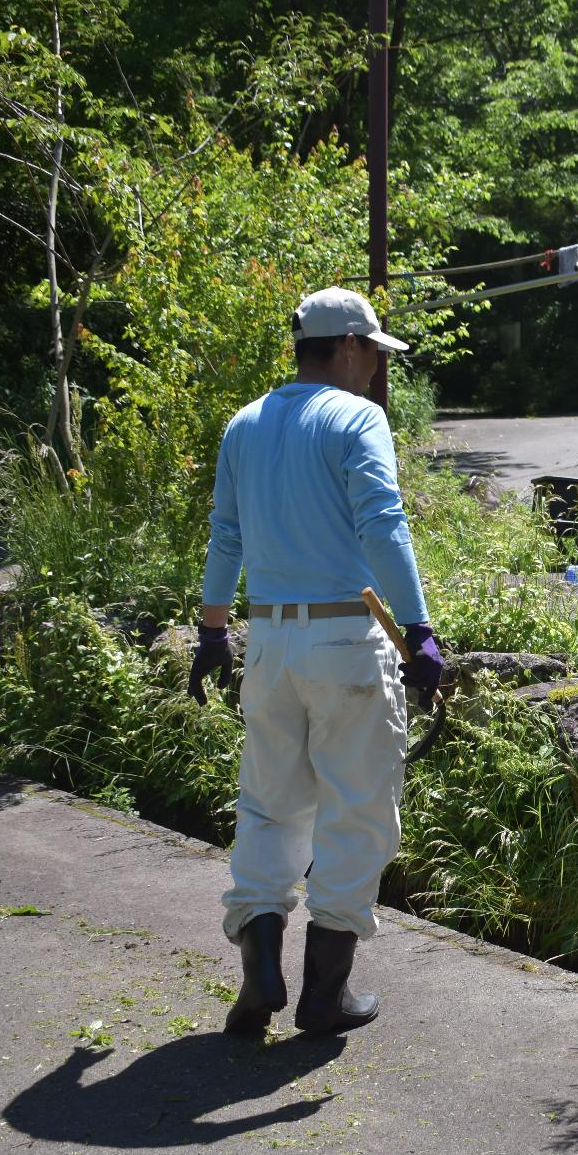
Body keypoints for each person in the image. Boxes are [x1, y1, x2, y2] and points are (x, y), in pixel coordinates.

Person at [192, 286, 444, 1039]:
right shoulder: (356, 419)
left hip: (268, 639)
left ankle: (260, 963)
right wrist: (419, 626)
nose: (375, 370)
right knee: (356, 811)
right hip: (347, 637)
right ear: (346, 346)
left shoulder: (245, 424)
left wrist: (212, 632)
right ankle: (323, 994)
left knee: (270, 805)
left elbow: (225, 538)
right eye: (372, 353)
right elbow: (383, 524)